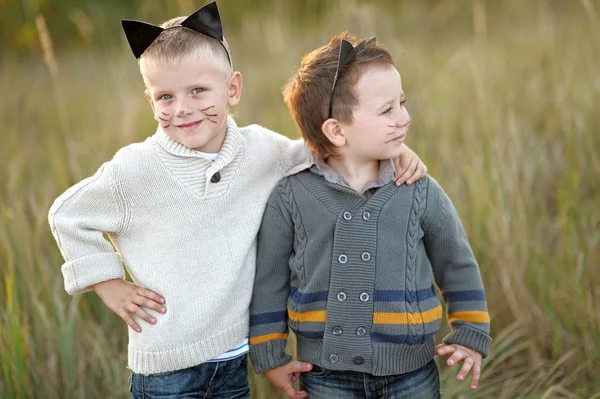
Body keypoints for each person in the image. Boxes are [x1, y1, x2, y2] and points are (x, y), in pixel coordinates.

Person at [47, 4, 427, 398]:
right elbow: (67, 214)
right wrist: (107, 284)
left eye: (198, 91)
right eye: (165, 96)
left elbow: (324, 151)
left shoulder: (262, 150)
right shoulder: (134, 170)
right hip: (166, 370)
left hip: (234, 358)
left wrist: (390, 153)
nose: (182, 109)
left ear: (232, 89)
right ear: (150, 100)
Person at [249, 32, 491, 399]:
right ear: (336, 130)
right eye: (387, 110)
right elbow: (269, 281)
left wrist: (471, 335)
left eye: (402, 103)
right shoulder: (291, 197)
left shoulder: (418, 188)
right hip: (326, 376)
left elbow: (457, 263)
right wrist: (270, 355)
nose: (405, 118)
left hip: (412, 374)